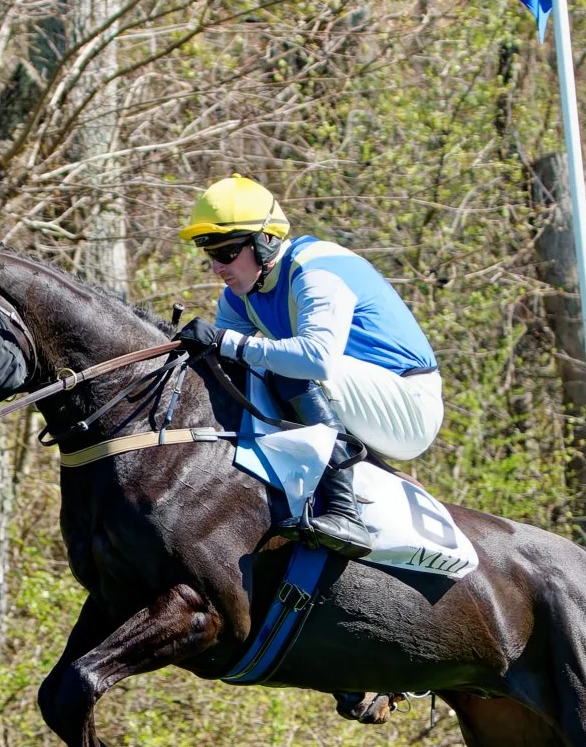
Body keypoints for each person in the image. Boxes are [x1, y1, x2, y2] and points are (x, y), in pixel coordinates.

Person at [175, 174, 443, 559]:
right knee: (245, 372)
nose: (217, 267)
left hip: (409, 405)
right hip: (356, 398)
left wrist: (226, 341)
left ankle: (346, 512)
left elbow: (316, 357)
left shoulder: (315, 271)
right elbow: (228, 361)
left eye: (227, 252)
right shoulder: (239, 297)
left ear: (266, 241)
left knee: (286, 367)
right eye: (210, 254)